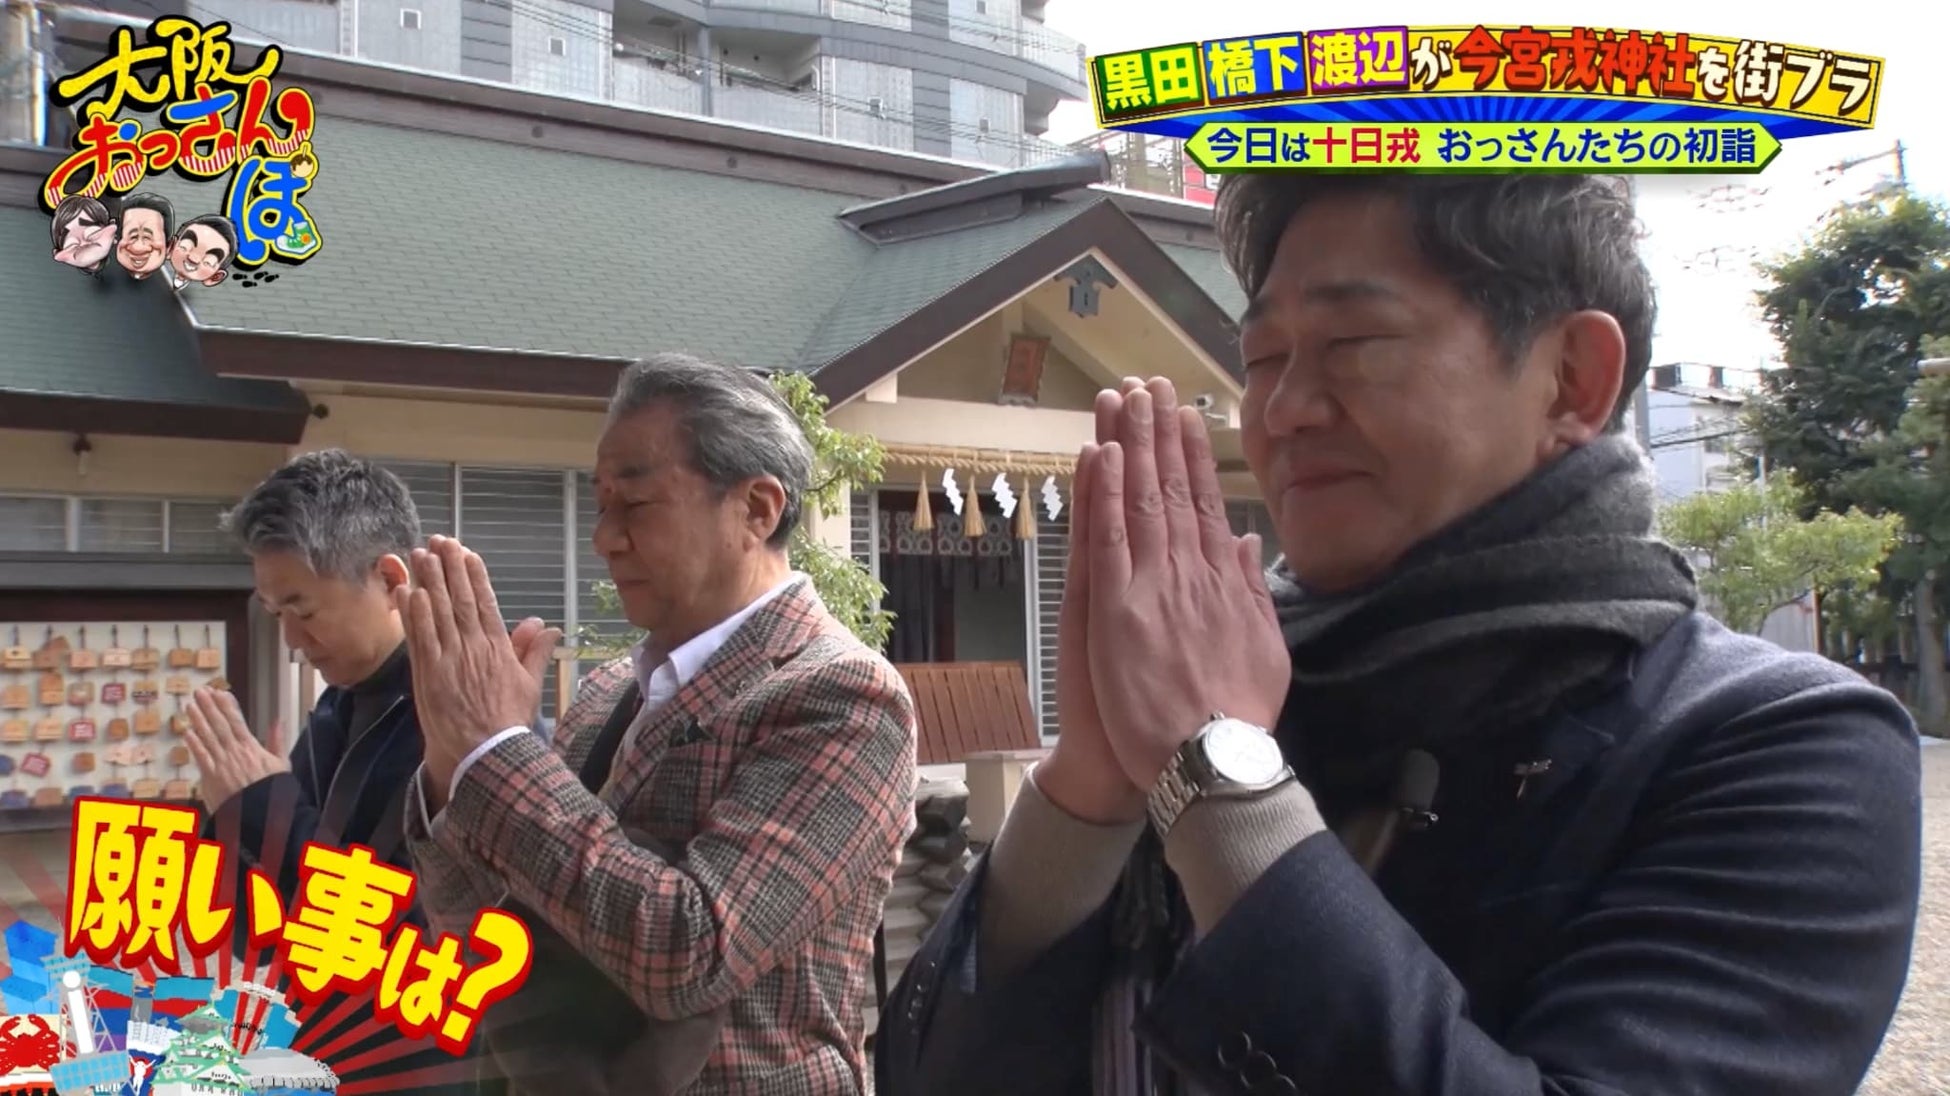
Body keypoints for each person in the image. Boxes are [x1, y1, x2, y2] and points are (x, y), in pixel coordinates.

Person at [876, 174, 1923, 1095]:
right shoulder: (1222, 683)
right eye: (1263, 358)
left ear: (1572, 378)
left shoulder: (1779, 746)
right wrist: (1089, 791)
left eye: (1355, 345)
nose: (1282, 410)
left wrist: (1220, 778)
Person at [400, 352, 918, 1095]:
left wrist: (502, 754)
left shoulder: (843, 695)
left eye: (636, 504)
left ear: (757, 509)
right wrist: (457, 769)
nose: (604, 539)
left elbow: (691, 953)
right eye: (601, 505)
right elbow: (483, 938)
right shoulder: (608, 693)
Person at [187, 448, 495, 1095]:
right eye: (276, 615)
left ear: (389, 579)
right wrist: (225, 817)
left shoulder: (469, 720)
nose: (292, 641)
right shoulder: (335, 712)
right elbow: (262, 937)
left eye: (303, 610)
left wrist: (261, 809)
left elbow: (416, 945)